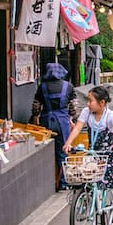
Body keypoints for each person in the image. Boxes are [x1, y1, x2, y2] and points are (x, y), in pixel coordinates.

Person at [62, 86, 113, 225]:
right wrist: (68, 143)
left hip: (110, 153)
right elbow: (77, 129)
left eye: (90, 100)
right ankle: (87, 205)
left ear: (101, 103)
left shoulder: (111, 115)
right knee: (86, 178)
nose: (88, 104)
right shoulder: (87, 113)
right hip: (94, 152)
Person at [31, 62, 78, 190]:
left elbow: (36, 105)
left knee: (46, 150)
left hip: (46, 120)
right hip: (62, 120)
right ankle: (63, 182)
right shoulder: (68, 86)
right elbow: (74, 105)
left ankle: (48, 182)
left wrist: (35, 117)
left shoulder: (42, 87)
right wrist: (72, 118)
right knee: (63, 151)